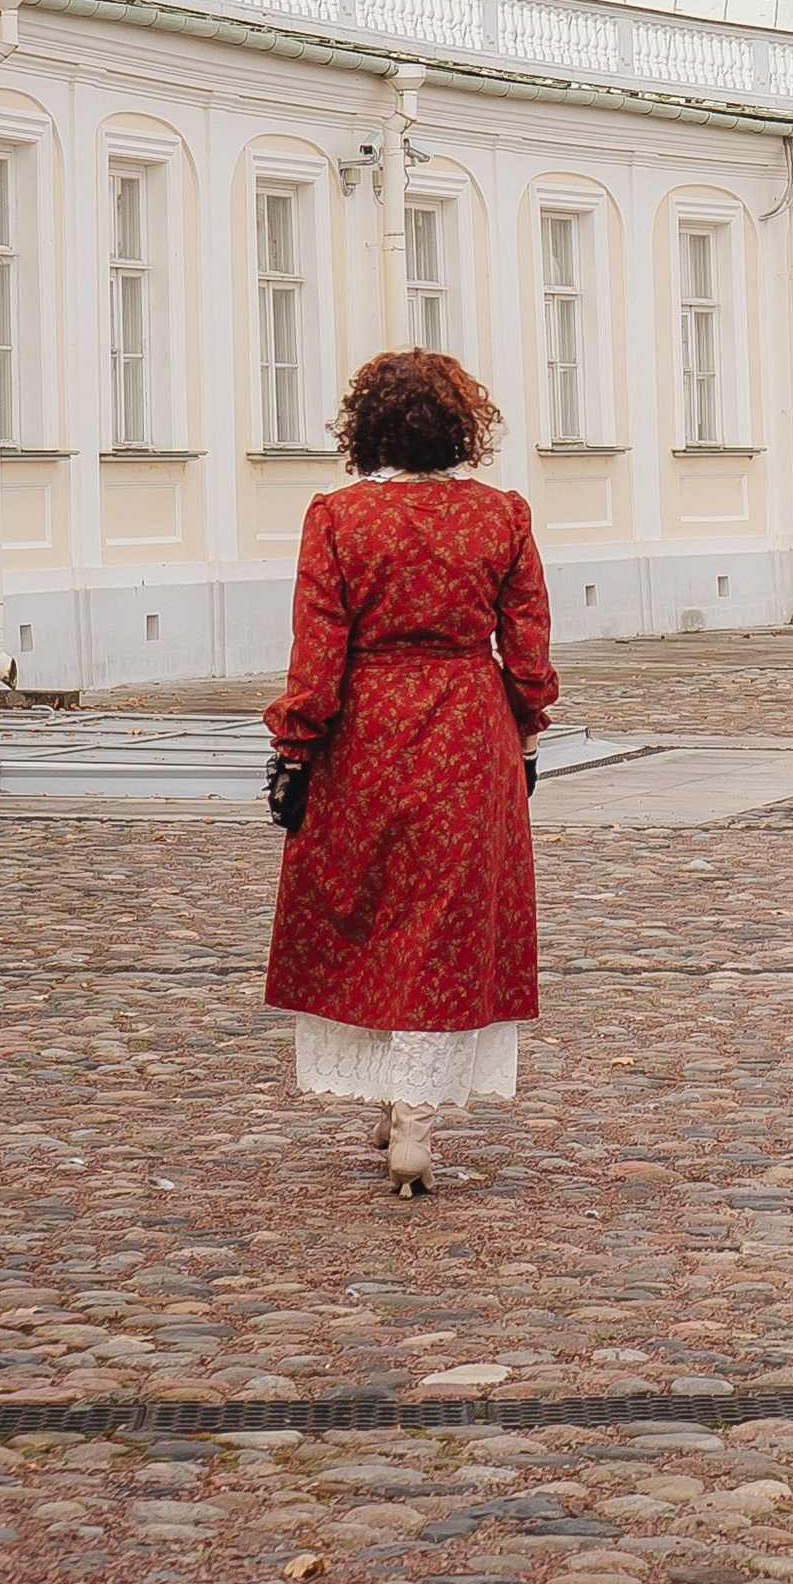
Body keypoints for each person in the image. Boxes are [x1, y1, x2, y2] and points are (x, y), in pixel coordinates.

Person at [261, 348, 558, 1196]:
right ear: (463, 428)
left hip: (367, 729)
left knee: (375, 913)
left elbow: (317, 648)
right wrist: (526, 732)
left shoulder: (340, 517)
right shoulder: (500, 515)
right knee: (447, 923)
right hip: (469, 730)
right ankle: (415, 1120)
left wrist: (294, 748)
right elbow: (527, 646)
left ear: (368, 429)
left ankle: (400, 1104)